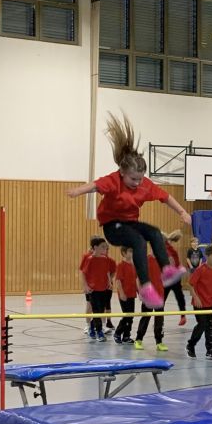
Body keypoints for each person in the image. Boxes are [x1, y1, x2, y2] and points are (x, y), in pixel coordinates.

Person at [67, 113, 190, 309]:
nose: (137, 183)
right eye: (133, 179)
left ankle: (167, 271)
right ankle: (146, 288)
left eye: (140, 179)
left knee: (154, 233)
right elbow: (95, 186)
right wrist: (77, 191)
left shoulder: (144, 185)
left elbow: (166, 197)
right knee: (139, 241)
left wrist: (182, 212)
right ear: (122, 172)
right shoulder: (113, 180)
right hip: (112, 227)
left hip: (130, 223)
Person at [81, 236, 116, 341]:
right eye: (102, 247)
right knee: (96, 311)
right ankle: (100, 333)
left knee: (100, 311)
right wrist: (86, 286)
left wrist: (109, 282)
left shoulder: (105, 259)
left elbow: (107, 271)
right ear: (95, 247)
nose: (105, 249)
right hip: (93, 290)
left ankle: (92, 327)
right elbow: (83, 273)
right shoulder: (90, 259)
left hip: (103, 289)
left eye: (105, 247)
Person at [187, 246, 212, 359]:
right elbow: (190, 284)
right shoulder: (200, 269)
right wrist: (196, 298)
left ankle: (210, 350)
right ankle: (190, 345)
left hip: (210, 303)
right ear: (207, 256)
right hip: (199, 303)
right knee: (202, 325)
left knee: (209, 326)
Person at [134, 252, 167, 352]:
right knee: (145, 317)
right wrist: (140, 292)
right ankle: (138, 340)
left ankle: (159, 342)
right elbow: (138, 278)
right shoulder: (145, 259)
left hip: (159, 295)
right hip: (148, 294)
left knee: (159, 319)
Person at [162, 231, 189, 326]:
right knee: (179, 296)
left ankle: (160, 319)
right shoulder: (169, 247)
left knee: (163, 299)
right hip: (174, 276)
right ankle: (183, 316)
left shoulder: (165, 249)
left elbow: (171, 261)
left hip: (170, 277)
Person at [113, 247, 138, 344]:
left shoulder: (133, 265)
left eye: (133, 251)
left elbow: (135, 280)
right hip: (124, 295)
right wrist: (122, 293)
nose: (132, 253)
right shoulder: (121, 265)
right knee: (127, 315)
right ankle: (117, 333)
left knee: (131, 316)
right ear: (124, 253)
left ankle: (126, 336)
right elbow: (118, 280)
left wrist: (139, 292)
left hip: (132, 294)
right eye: (130, 251)